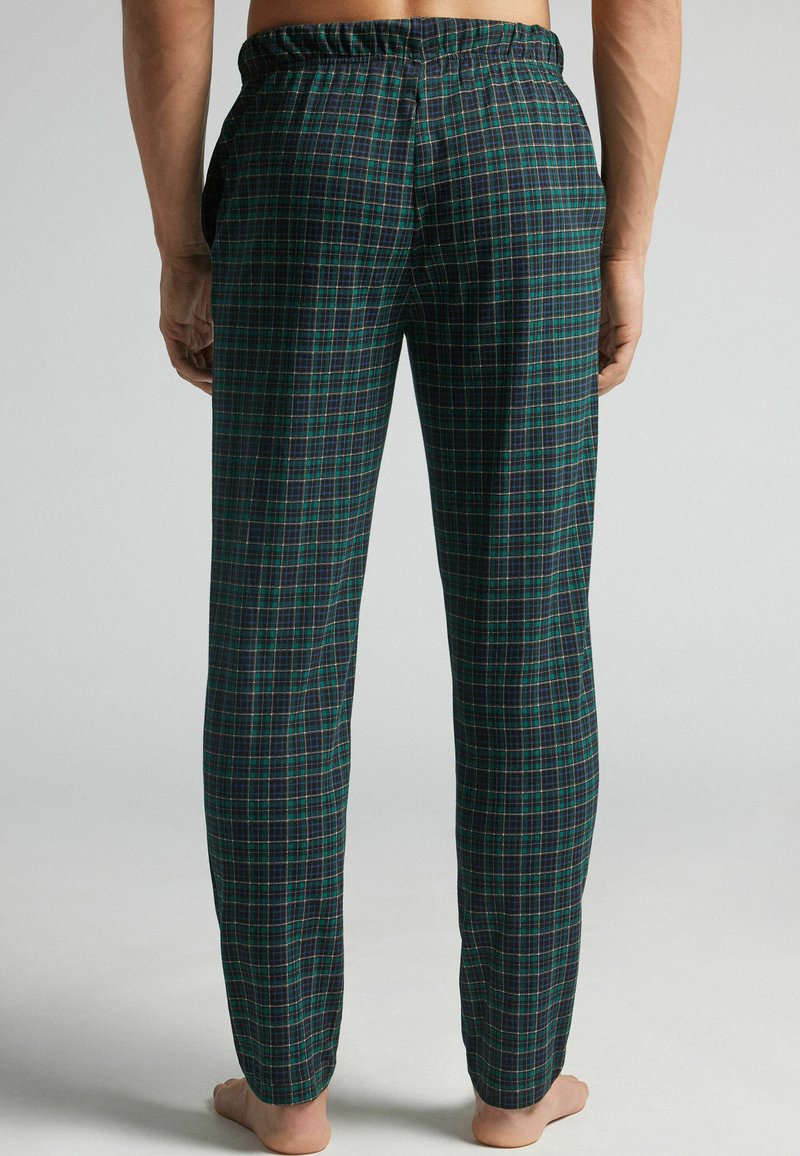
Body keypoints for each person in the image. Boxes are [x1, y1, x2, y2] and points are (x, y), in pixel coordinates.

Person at [122, 0, 680, 1151]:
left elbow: (166, 9)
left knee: (278, 636)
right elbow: (644, 9)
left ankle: (286, 1088)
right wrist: (622, 244)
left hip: (307, 135)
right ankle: (517, 1084)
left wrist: (181, 241)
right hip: (514, 142)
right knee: (527, 634)